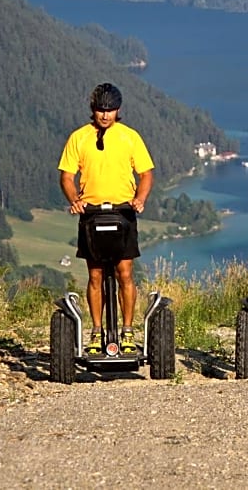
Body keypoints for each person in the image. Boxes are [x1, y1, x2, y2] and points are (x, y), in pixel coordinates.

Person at [58, 83, 154, 355]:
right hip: (92, 213)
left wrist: (140, 199)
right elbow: (66, 175)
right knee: (95, 275)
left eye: (110, 110)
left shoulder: (130, 137)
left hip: (123, 212)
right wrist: (75, 201)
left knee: (125, 273)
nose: (105, 115)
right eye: (101, 109)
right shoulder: (79, 137)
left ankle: (127, 331)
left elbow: (146, 173)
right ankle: (96, 331)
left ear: (118, 110)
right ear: (93, 109)